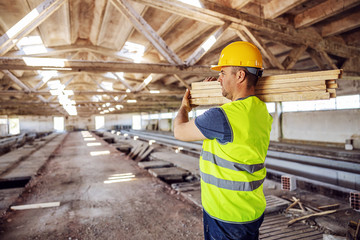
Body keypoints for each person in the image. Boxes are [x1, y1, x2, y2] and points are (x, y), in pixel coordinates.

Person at [173, 41, 273, 240]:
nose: (219, 79)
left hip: (225, 214)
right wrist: (217, 94)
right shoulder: (260, 111)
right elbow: (233, 119)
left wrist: (184, 107)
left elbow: (179, 131)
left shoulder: (220, 117)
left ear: (240, 75)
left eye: (223, 73)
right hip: (249, 210)